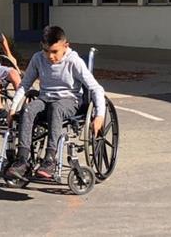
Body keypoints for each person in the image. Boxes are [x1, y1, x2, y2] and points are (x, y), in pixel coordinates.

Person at [6, 26, 106, 179]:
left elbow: (96, 88)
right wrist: (13, 109)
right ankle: (22, 160)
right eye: (46, 51)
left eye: (54, 51)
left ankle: (50, 158)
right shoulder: (38, 58)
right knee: (28, 109)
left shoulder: (74, 61)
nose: (50, 56)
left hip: (69, 101)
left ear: (66, 46)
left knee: (56, 108)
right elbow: (25, 84)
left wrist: (99, 116)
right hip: (45, 98)